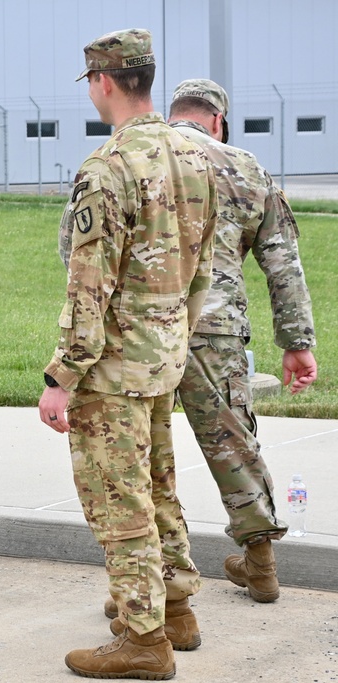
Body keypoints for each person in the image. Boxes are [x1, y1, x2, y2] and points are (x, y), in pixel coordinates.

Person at [41, 29, 217, 679]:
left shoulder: (108, 167)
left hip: (113, 368)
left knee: (122, 501)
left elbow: (90, 287)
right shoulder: (197, 156)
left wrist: (62, 375)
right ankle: (175, 610)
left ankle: (144, 639)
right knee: (159, 487)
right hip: (164, 354)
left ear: (102, 83)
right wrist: (174, 332)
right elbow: (203, 269)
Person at [166, 79, 317, 603]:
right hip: (216, 330)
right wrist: (297, 342)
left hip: (144, 331)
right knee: (233, 445)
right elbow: (283, 265)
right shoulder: (246, 167)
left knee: (145, 450)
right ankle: (260, 566)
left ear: (176, 114)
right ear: (218, 120)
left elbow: (78, 247)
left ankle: (149, 577)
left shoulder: (139, 156)